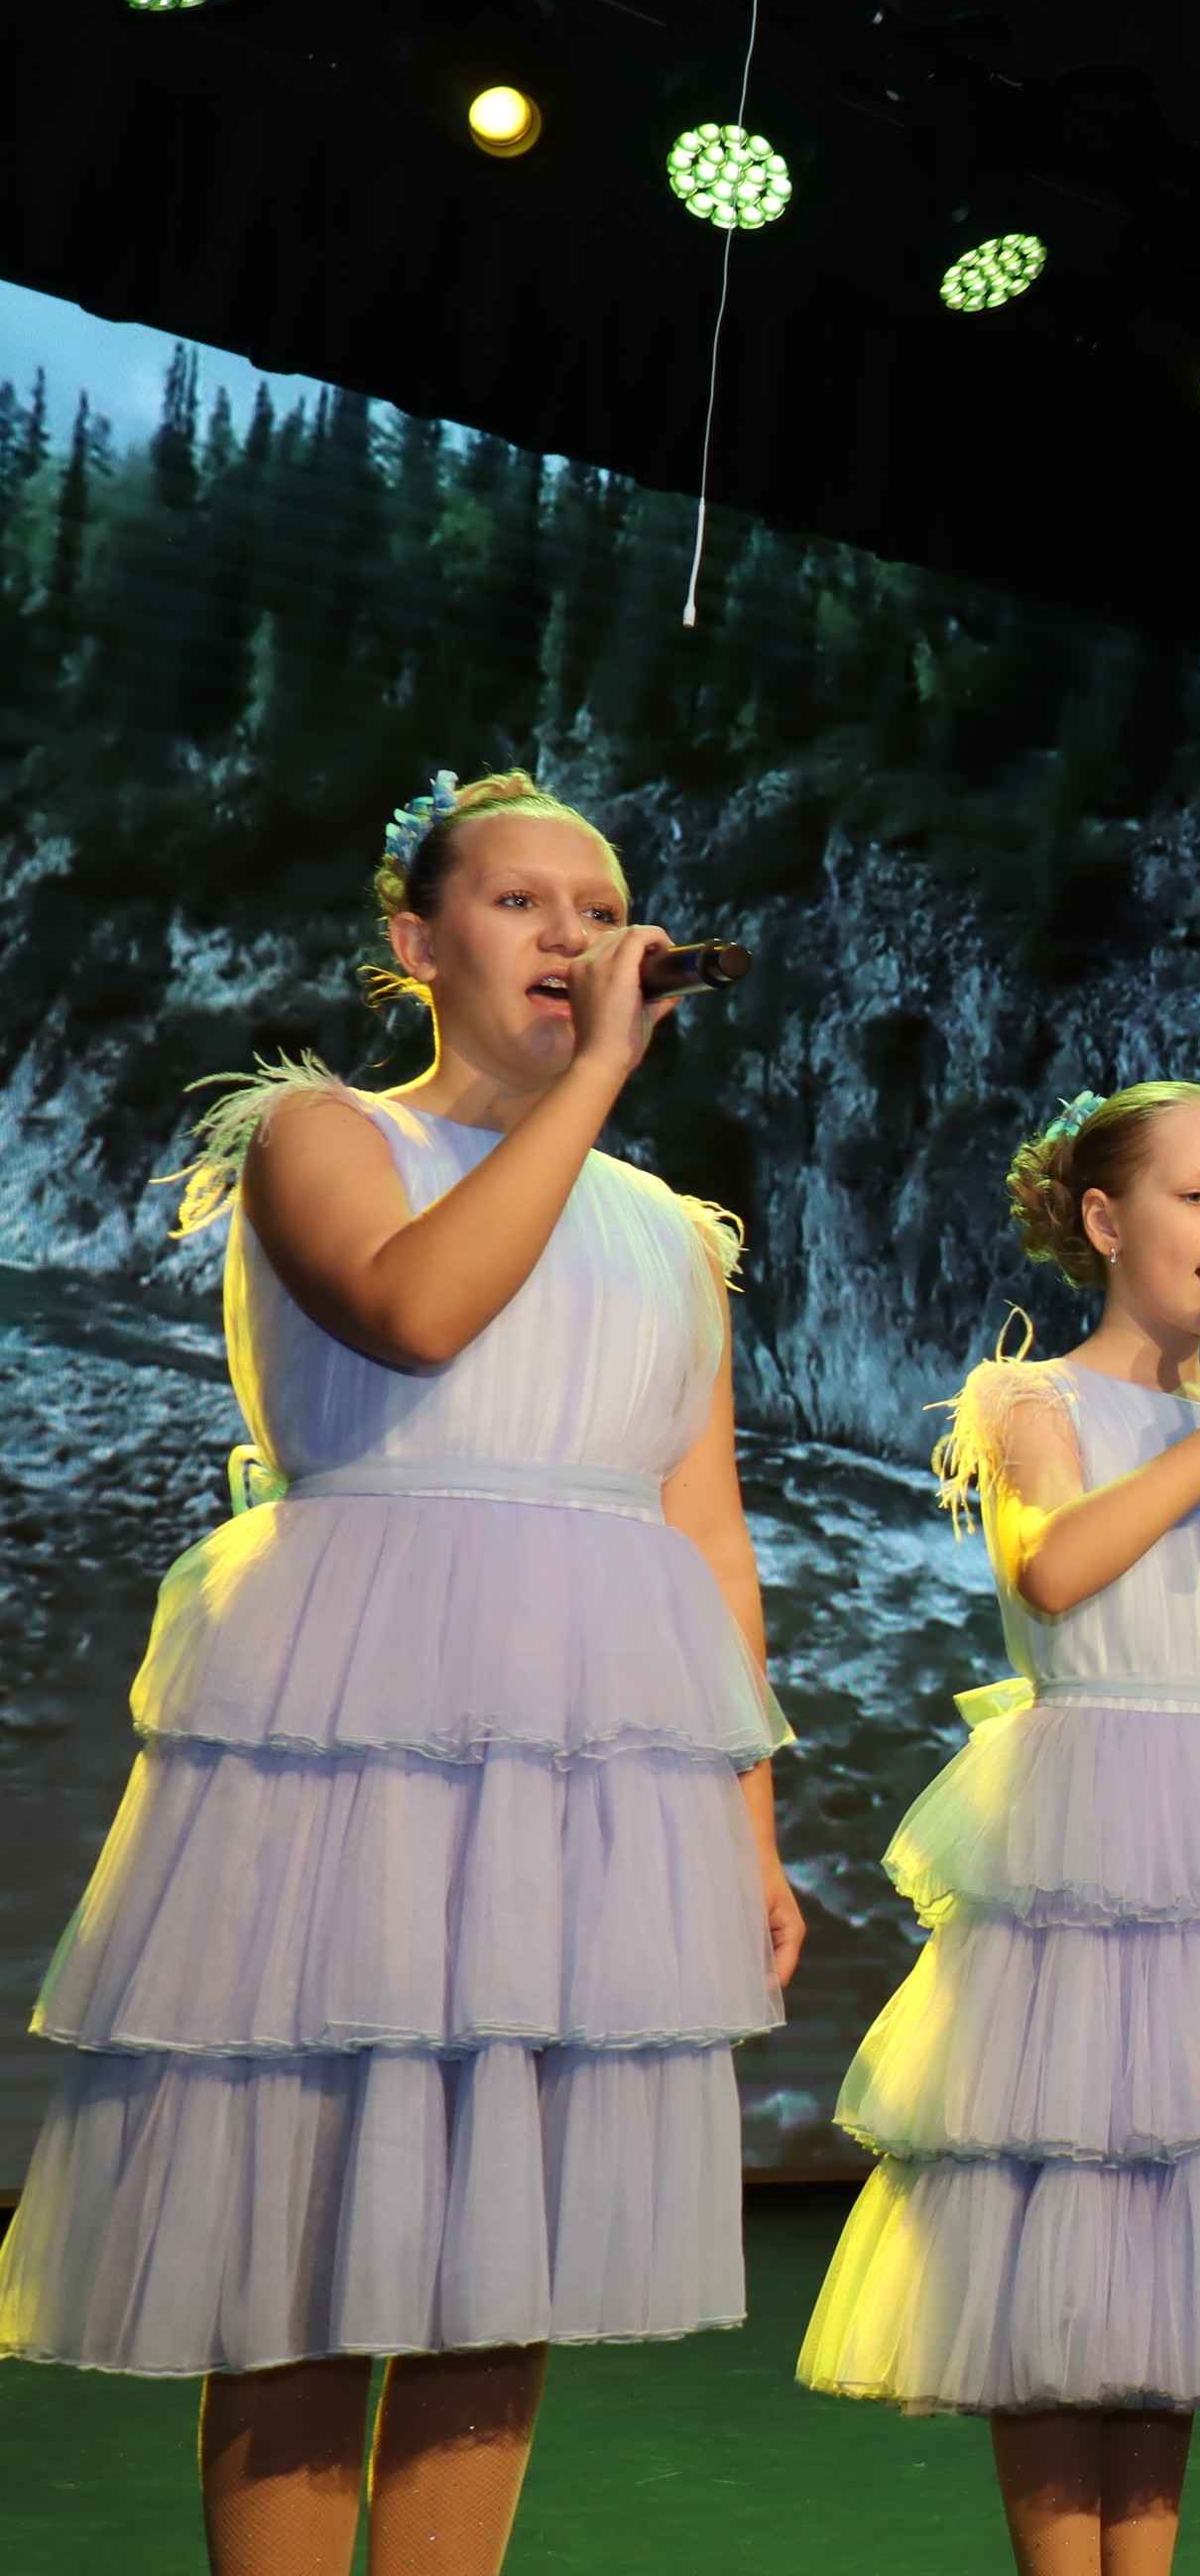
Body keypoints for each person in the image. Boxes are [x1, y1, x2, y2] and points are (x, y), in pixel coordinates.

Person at [0, 770, 799, 2576]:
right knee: (303, 2244)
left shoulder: (669, 1234)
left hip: (579, 1768)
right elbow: (418, 1311)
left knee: (498, 2262)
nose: (574, 938)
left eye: (602, 911)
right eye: (523, 904)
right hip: (353, 1749)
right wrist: (596, 1078)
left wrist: (745, 1824)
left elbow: (707, 1537)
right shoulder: (318, 1134)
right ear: (416, 943)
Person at [795, 1082, 1200, 2576]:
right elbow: (1060, 1566)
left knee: (1176, 2260)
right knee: (1066, 2237)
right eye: (1197, 1196)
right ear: (1103, 1218)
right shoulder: (1036, 1400)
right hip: (1092, 1847)